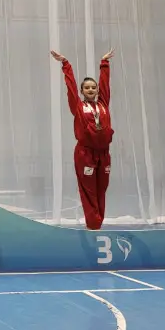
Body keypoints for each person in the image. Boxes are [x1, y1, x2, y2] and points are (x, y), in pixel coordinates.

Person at [50, 47, 115, 230]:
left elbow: (105, 84)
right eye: (87, 87)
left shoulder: (103, 104)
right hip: (85, 154)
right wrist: (65, 64)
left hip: (104, 154)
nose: (91, 89)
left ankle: (97, 223)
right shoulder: (78, 107)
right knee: (89, 191)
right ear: (81, 91)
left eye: (93, 87)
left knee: (102, 189)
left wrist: (104, 63)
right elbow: (70, 88)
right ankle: (93, 225)